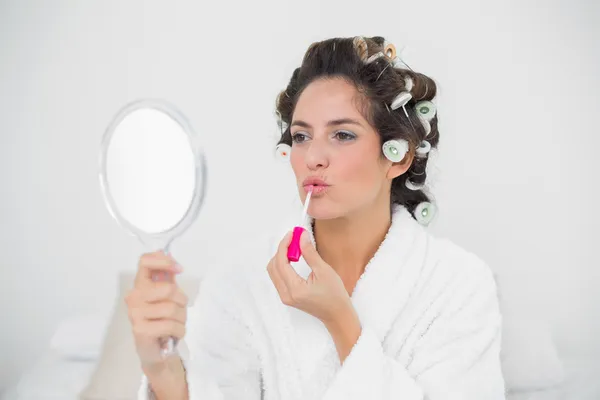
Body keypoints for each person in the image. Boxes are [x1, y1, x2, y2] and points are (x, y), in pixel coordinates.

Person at [126, 36, 506, 400]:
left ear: (399, 157)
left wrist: (342, 322)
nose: (312, 158)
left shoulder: (458, 285)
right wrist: (162, 372)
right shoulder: (240, 280)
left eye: (342, 135)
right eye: (301, 137)